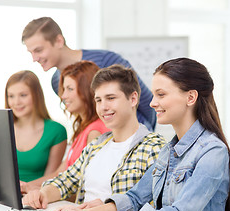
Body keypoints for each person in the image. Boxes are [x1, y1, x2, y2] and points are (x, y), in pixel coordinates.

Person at [51, 58, 230, 211]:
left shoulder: (213, 151)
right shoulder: (170, 151)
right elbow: (134, 198)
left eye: (161, 95)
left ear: (190, 97)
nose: (152, 103)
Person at [22, 65, 166, 209]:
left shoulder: (153, 147)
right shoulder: (96, 146)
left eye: (110, 98)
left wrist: (105, 208)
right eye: (98, 100)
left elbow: (156, 208)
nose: (103, 107)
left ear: (133, 99)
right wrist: (42, 194)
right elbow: (65, 181)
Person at [21, 16, 157, 131]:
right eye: (31, 52)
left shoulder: (107, 60)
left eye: (38, 50)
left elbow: (146, 104)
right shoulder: (56, 82)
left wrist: (143, 136)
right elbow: (84, 119)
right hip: (102, 146)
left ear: (58, 41)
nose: (34, 58)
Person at [28, 60, 110, 190]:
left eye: (70, 89)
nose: (63, 96)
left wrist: (39, 191)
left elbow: (83, 186)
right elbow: (59, 174)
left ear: (87, 90)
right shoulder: (84, 128)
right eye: (64, 89)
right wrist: (26, 186)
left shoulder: (95, 132)